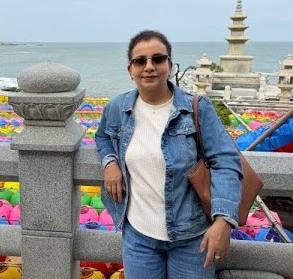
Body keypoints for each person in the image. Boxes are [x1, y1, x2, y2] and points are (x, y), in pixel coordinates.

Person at [95, 30, 243, 279]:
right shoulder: (117, 108)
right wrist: (110, 163)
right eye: (140, 61)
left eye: (158, 59)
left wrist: (223, 221)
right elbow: (102, 137)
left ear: (170, 65)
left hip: (192, 237)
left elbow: (226, 161)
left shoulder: (196, 108)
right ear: (130, 69)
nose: (149, 67)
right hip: (138, 236)